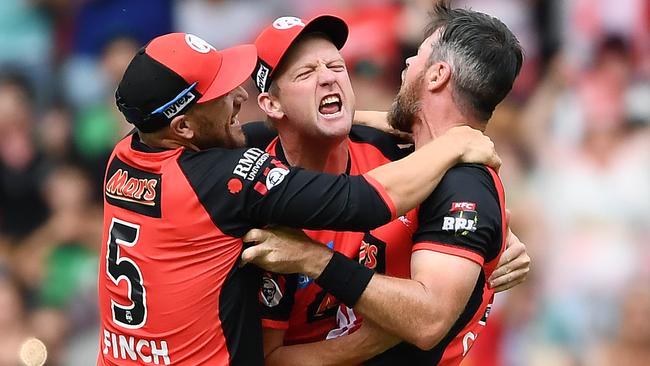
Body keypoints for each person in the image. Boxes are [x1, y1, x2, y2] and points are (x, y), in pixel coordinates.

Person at [97, 32, 501, 366]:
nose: (238, 95)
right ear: (183, 126)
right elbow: (363, 200)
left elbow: (260, 136)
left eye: (336, 66)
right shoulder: (228, 180)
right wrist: (454, 142)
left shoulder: (125, 155)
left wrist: (494, 229)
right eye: (219, 93)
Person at [241, 3, 526, 365]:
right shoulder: (243, 167)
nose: (405, 63)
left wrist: (498, 234)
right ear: (271, 104)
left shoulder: (413, 161)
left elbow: (428, 319)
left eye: (336, 66)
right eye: (305, 74)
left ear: (437, 75)